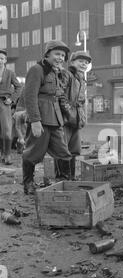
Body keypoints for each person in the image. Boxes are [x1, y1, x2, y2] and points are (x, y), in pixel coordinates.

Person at [22, 40, 72, 195]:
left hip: (55, 120)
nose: (60, 58)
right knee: (33, 153)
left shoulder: (55, 72)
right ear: (47, 54)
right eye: (57, 54)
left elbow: (56, 95)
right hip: (41, 120)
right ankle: (28, 184)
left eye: (63, 55)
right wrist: (35, 121)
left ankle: (65, 182)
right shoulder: (37, 69)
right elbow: (30, 97)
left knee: (63, 152)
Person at [55, 51, 91, 181]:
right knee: (62, 149)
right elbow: (60, 93)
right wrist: (68, 111)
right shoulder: (67, 74)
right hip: (66, 119)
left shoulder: (81, 78)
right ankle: (62, 178)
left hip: (75, 119)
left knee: (74, 149)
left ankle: (71, 177)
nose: (84, 64)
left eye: (86, 63)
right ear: (72, 62)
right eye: (81, 61)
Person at [0, 49, 22, 165]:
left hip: (4, 103)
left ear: (5, 60)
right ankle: (2, 154)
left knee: (7, 131)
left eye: (2, 58)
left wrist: (12, 99)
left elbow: (19, 87)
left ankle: (7, 154)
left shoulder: (9, 73)